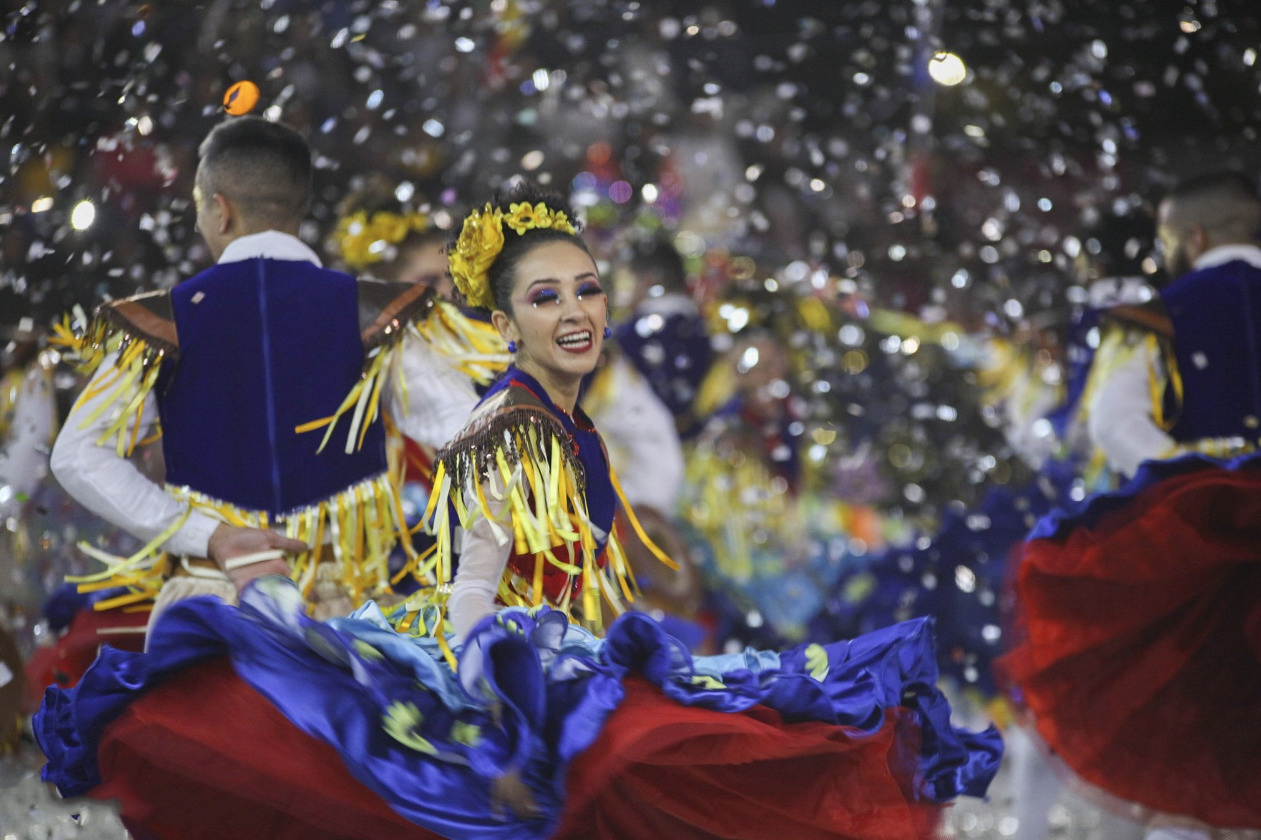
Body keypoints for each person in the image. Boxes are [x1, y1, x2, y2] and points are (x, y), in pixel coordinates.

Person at [36, 184, 1002, 840]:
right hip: (518, 685)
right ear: (504, 325)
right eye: (545, 297)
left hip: (550, 667)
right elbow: (470, 593)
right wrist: (508, 728)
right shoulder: (514, 430)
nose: (575, 310)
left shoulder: (549, 417)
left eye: (586, 288)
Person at [48, 116, 479, 631]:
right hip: (344, 620)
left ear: (219, 209)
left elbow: (75, 456)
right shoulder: (374, 314)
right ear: (297, 207)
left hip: (213, 613)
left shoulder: (163, 322)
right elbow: (475, 439)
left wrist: (205, 534)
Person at [999, 171, 1261, 836]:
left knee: (1194, 738)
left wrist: (1195, 484)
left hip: (1204, 554)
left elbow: (1115, 425)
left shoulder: (1164, 314)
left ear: (1192, 237)